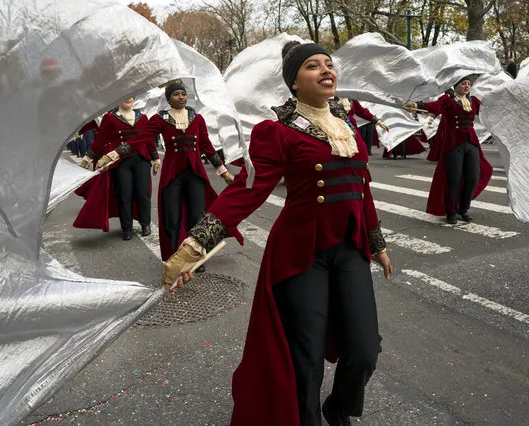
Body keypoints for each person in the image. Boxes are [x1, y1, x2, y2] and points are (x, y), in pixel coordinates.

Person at [161, 41, 392, 426]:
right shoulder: (277, 131)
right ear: (295, 83)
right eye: (313, 66)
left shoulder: (346, 125)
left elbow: (360, 188)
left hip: (350, 249)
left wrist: (377, 243)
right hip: (301, 254)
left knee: (364, 350)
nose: (326, 70)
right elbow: (248, 189)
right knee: (306, 353)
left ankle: (338, 407)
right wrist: (194, 245)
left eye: (329, 64)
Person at [96, 82, 238, 267]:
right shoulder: (159, 119)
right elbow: (141, 139)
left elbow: (207, 147)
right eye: (176, 94)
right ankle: (175, 255)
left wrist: (224, 173)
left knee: (197, 217)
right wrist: (113, 154)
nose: (181, 97)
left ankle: (195, 258)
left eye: (183, 94)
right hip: (173, 175)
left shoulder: (197, 118)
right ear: (168, 98)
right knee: (172, 217)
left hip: (195, 174)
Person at [406, 76, 493, 224]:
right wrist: (417, 105)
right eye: (463, 84)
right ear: (455, 85)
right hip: (453, 144)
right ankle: (451, 211)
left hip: (471, 143)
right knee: (454, 178)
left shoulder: (474, 101)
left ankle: (463, 208)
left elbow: (490, 109)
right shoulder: (447, 100)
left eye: (468, 84)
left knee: (472, 177)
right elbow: (435, 106)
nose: (466, 86)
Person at [74, 98, 159, 240]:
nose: (128, 99)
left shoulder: (142, 117)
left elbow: (148, 139)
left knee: (143, 194)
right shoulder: (109, 117)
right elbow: (100, 138)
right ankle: (127, 228)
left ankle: (145, 224)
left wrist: (155, 157)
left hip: (141, 159)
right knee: (124, 194)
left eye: (131, 96)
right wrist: (88, 157)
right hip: (120, 162)